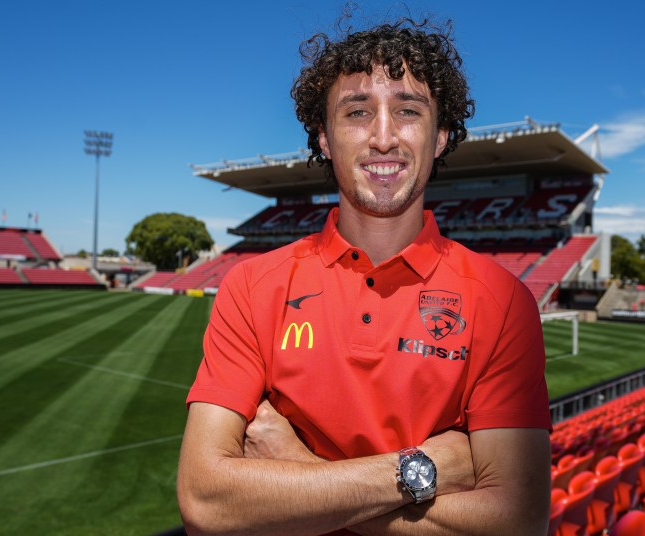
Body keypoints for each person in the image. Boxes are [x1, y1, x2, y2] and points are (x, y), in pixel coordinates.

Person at [178, 16, 551, 535]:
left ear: (440, 135)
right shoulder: (251, 286)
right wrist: (425, 470)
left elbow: (517, 522)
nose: (383, 137)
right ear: (323, 138)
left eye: (408, 111)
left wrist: (301, 470)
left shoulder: (502, 300)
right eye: (357, 112)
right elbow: (205, 503)